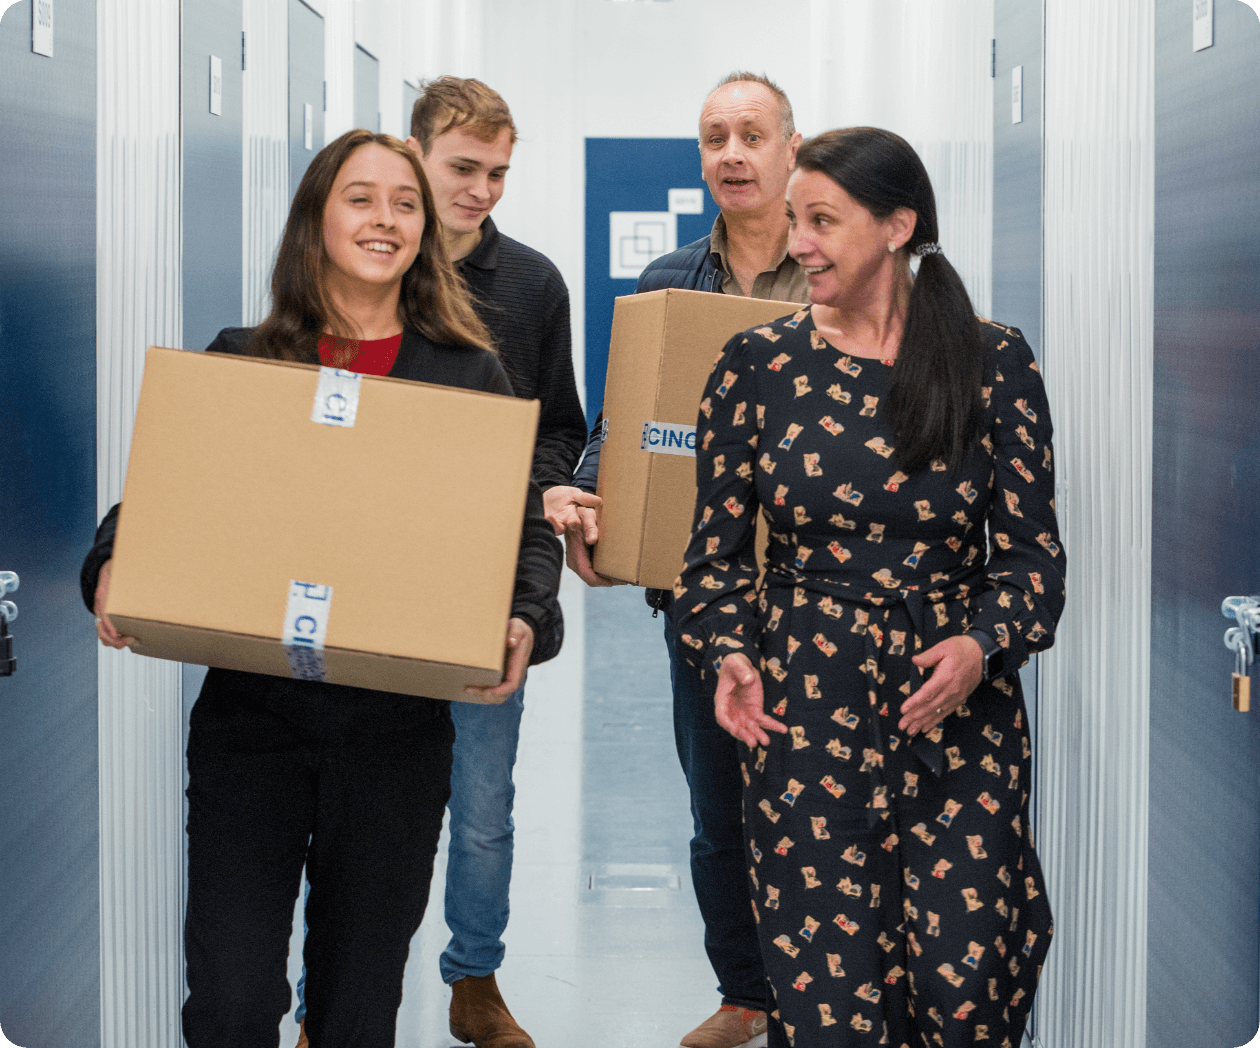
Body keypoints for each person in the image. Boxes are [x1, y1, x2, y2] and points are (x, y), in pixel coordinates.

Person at [81, 129, 564, 1048]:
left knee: (354, 1008)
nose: (385, 218)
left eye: (404, 202)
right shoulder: (247, 360)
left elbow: (521, 529)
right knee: (228, 1001)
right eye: (361, 197)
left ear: (423, 229)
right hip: (251, 728)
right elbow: (157, 498)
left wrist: (524, 617)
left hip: (395, 737)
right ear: (317, 217)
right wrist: (112, 562)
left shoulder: (467, 377)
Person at [673, 126, 1064, 1047]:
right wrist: (729, 651)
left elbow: (1032, 562)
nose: (797, 242)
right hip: (807, 709)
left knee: (969, 984)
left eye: (821, 221)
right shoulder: (756, 367)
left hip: (959, 720)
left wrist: (979, 647)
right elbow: (713, 566)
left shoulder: (992, 359)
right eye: (793, 220)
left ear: (897, 227)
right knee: (832, 1000)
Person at [555, 71, 807, 1048]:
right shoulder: (668, 284)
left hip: (826, 596)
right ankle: (748, 991)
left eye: (752, 134)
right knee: (719, 807)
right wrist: (593, 509)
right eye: (714, 137)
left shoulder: (842, 274)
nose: (732, 154)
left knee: (824, 802)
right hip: (702, 600)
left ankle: (826, 992)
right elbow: (625, 426)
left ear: (792, 148)